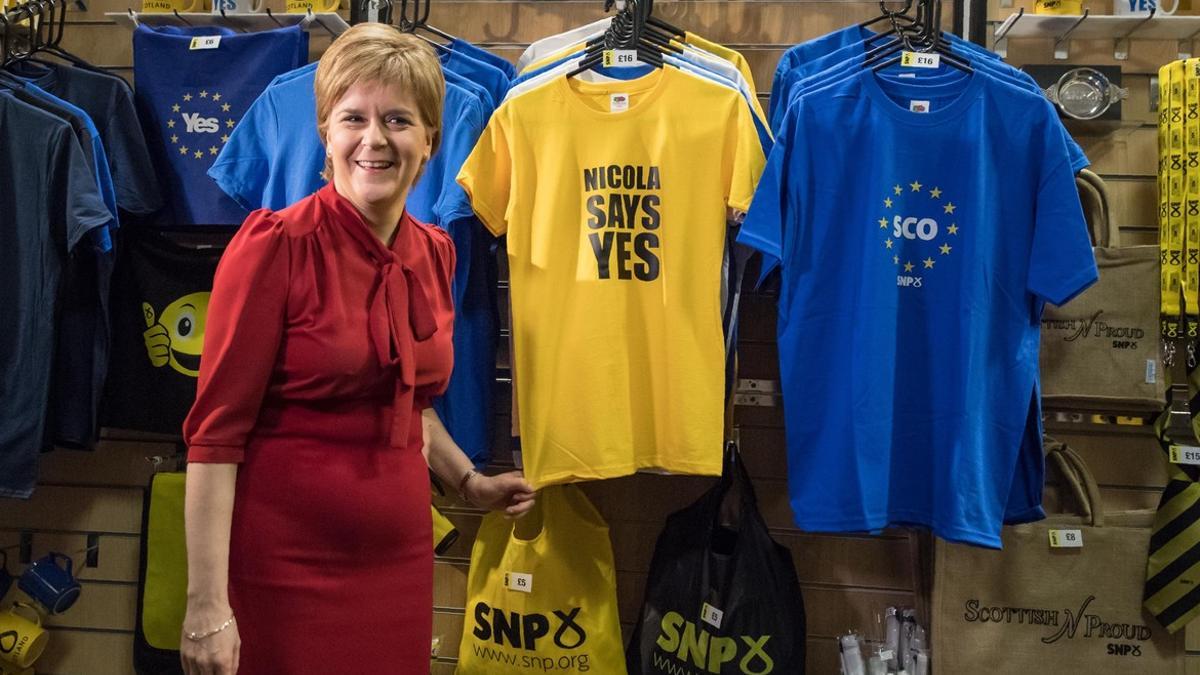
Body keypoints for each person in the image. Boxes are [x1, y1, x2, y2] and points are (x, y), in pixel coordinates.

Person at [179, 24, 535, 675]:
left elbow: (413, 406)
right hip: (285, 565)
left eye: (398, 119)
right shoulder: (275, 247)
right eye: (354, 118)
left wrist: (471, 481)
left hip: (399, 556)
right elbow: (214, 438)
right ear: (326, 133)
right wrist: (205, 604)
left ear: (430, 139)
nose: (374, 139)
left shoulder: (434, 252)